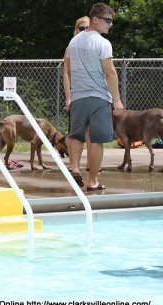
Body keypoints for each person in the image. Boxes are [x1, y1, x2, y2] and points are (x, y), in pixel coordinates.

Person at [65, 3, 124, 191]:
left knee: (76, 135)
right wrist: (117, 100)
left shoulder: (73, 42)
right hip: (99, 97)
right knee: (97, 139)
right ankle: (92, 181)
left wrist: (74, 92)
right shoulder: (102, 43)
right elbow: (110, 73)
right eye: (107, 20)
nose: (110, 24)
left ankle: (74, 167)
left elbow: (69, 71)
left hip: (78, 97)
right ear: (95, 20)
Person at [63, 16, 90, 171]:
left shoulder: (96, 46)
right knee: (75, 132)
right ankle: (74, 165)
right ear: (76, 30)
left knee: (92, 133)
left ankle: (92, 164)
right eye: (81, 28)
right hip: (77, 94)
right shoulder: (71, 48)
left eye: (87, 28)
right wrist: (68, 97)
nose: (85, 31)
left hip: (94, 94)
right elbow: (66, 73)